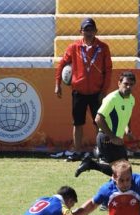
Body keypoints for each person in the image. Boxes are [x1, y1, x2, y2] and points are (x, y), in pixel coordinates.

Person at [55, 17, 112, 162]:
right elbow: (62, 64)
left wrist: (103, 91)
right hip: (78, 91)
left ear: (96, 31)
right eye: (86, 29)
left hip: (96, 92)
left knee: (99, 122)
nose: (89, 32)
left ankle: (100, 150)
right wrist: (58, 84)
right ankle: (77, 151)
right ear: (81, 31)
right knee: (78, 123)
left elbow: (108, 70)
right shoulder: (74, 47)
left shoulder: (103, 48)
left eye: (91, 29)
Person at [75, 71, 136, 178]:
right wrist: (112, 137)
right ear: (119, 83)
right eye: (126, 84)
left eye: (131, 84)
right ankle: (91, 164)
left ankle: (91, 164)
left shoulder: (131, 99)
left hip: (116, 139)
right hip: (106, 138)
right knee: (124, 173)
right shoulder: (111, 99)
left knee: (124, 172)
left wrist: (127, 129)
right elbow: (98, 119)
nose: (128, 87)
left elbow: (127, 115)